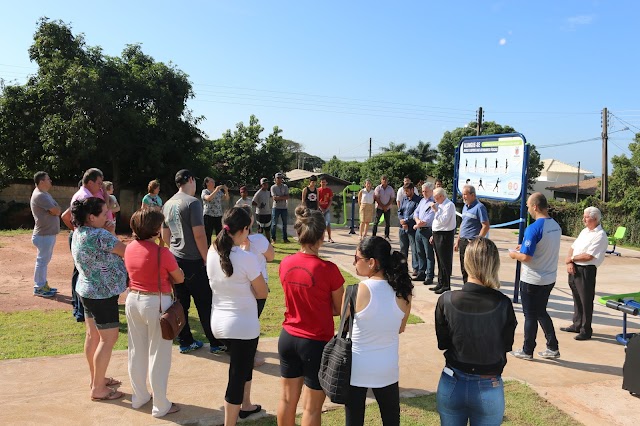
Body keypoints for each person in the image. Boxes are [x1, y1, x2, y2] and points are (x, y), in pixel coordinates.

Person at [435, 238, 517, 425]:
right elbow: (505, 345)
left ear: (466, 262)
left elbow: (443, 343)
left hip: (452, 381)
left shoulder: (445, 300)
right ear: (494, 263)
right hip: (488, 384)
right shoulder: (503, 303)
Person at [277, 206, 345, 426]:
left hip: (287, 337)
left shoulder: (285, 263)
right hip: (315, 342)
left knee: (287, 400)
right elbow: (340, 308)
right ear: (322, 236)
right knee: (312, 408)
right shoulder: (329, 269)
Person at [208, 207, 269, 425]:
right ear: (244, 230)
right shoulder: (245, 258)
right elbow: (262, 292)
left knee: (242, 365)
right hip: (242, 326)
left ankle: (246, 404)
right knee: (237, 374)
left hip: (219, 323)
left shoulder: (211, 251)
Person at [346, 236, 413, 426]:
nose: (354, 262)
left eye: (356, 258)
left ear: (372, 262)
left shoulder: (355, 290)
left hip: (356, 368)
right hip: (387, 367)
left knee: (354, 420)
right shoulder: (404, 291)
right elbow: (400, 328)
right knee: (391, 419)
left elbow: (345, 327)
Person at [124, 208, 184, 417]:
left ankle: (139, 396)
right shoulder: (163, 252)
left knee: (136, 350)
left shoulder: (130, 248)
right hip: (156, 302)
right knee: (158, 354)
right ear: (155, 229)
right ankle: (160, 404)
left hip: (133, 300)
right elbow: (179, 278)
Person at [162, 169, 225, 354]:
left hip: (175, 259)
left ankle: (185, 341)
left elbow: (165, 235)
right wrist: (207, 259)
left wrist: (176, 249)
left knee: (181, 303)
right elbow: (199, 234)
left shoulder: (168, 203)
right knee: (205, 302)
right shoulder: (193, 203)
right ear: (190, 179)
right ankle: (215, 343)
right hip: (194, 261)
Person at [70, 197, 127, 401]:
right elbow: (126, 252)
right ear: (91, 217)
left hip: (87, 291)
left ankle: (97, 380)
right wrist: (111, 234)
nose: (108, 216)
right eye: (104, 214)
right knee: (108, 339)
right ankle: (98, 389)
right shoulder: (100, 235)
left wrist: (109, 233)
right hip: (103, 294)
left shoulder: (79, 232)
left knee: (92, 336)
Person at [509, 192, 562, 360]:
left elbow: (526, 257)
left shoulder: (533, 228)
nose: (527, 209)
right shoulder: (555, 225)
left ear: (535, 207)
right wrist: (523, 247)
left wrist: (514, 255)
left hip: (533, 279)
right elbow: (541, 247)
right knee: (541, 312)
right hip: (549, 277)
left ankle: (527, 350)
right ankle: (552, 347)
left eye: (528, 205)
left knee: (530, 315)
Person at [61, 168, 109, 322]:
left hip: (84, 238)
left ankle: (81, 310)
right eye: (99, 183)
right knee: (82, 273)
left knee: (82, 272)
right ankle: (80, 310)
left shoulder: (90, 195)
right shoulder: (84, 197)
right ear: (89, 182)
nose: (101, 187)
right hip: (85, 239)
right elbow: (66, 216)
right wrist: (77, 231)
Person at [562, 207, 608, 341]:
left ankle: (586, 329)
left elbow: (589, 256)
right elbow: (573, 247)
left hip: (586, 270)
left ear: (594, 218)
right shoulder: (584, 231)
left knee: (586, 300)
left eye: (586, 217)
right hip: (575, 268)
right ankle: (577, 324)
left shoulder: (600, 235)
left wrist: (572, 259)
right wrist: (570, 262)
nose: (584, 219)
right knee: (577, 298)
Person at [238, 205, 275, 367]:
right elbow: (271, 256)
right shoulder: (259, 239)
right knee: (251, 322)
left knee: (242, 320)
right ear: (251, 220)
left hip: (238, 286)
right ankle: (248, 356)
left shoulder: (229, 241)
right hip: (258, 286)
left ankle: (240, 351)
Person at [30, 171, 61, 298]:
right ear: (41, 181)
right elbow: (56, 210)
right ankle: (39, 287)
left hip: (46, 234)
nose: (50, 181)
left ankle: (42, 285)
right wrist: (55, 210)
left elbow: (56, 209)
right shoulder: (40, 196)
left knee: (43, 261)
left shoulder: (44, 194)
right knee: (42, 261)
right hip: (44, 235)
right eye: (48, 179)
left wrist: (55, 210)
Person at [454, 185, 490, 284]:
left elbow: (486, 226)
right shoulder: (465, 206)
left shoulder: (480, 207)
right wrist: (457, 241)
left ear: (473, 195)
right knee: (464, 267)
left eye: (465, 194)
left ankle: (473, 289)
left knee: (472, 269)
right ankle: (466, 287)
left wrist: (477, 241)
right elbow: (463, 224)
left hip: (472, 243)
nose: (463, 197)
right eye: (463, 195)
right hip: (463, 241)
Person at [429, 188, 457, 294]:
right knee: (439, 260)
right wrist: (433, 235)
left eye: (436, 197)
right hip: (437, 234)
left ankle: (446, 285)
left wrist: (436, 211)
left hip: (445, 235)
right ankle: (440, 283)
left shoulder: (449, 205)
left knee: (445, 260)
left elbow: (444, 221)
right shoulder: (440, 205)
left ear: (441, 196)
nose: (434, 200)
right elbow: (436, 222)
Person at [413, 182, 436, 285]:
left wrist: (418, 224)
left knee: (428, 254)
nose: (424, 193)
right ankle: (421, 273)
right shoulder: (422, 201)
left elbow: (428, 218)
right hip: (419, 230)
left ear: (431, 191)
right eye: (422, 191)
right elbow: (416, 213)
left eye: (426, 191)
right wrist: (417, 221)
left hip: (427, 230)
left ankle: (429, 276)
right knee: (420, 252)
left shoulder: (434, 202)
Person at [397, 183, 421, 278]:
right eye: (405, 191)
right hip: (402, 228)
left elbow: (416, 213)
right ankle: (403, 268)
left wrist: (406, 221)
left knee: (414, 249)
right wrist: (402, 220)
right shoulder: (404, 200)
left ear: (412, 190)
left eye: (407, 191)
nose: (406, 193)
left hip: (412, 228)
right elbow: (400, 211)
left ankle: (416, 268)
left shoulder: (418, 201)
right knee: (403, 249)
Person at [202, 177, 229, 247]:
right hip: (208, 215)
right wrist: (216, 190)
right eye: (211, 182)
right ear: (207, 183)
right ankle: (207, 249)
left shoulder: (218, 192)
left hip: (218, 215)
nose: (214, 183)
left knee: (219, 234)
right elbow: (208, 198)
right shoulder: (205, 191)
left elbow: (226, 198)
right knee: (208, 234)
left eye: (214, 181)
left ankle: (219, 248)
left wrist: (226, 191)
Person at [372, 175, 395, 240]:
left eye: (386, 179)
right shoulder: (378, 188)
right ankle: (373, 236)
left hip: (387, 208)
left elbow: (392, 198)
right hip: (379, 207)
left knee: (387, 222)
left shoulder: (390, 189)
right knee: (376, 222)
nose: (384, 181)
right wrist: (383, 206)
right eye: (383, 179)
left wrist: (386, 206)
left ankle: (386, 236)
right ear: (381, 180)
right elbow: (376, 198)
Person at [271, 172, 290, 243]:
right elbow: (274, 198)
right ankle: (273, 238)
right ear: (275, 179)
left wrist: (279, 197)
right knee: (274, 224)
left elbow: (287, 197)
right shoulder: (273, 187)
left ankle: (285, 238)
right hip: (276, 208)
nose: (279, 179)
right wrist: (283, 197)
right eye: (278, 178)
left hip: (284, 208)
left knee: (284, 224)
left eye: (281, 178)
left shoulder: (285, 186)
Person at [252, 177, 272, 242]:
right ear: (261, 185)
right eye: (265, 184)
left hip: (267, 213)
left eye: (267, 184)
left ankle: (269, 242)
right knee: (260, 229)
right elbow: (253, 202)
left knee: (267, 229)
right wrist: (259, 206)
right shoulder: (258, 193)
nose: (266, 185)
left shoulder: (268, 192)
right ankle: (258, 242)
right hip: (260, 214)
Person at [318, 177, 334, 243]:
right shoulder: (318, 190)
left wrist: (327, 208)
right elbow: (317, 201)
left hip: (326, 209)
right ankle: (321, 238)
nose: (323, 183)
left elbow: (330, 200)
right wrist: (321, 208)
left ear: (326, 183)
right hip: (320, 209)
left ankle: (329, 237)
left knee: (328, 223)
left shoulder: (329, 190)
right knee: (320, 224)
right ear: (320, 183)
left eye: (324, 182)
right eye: (322, 182)